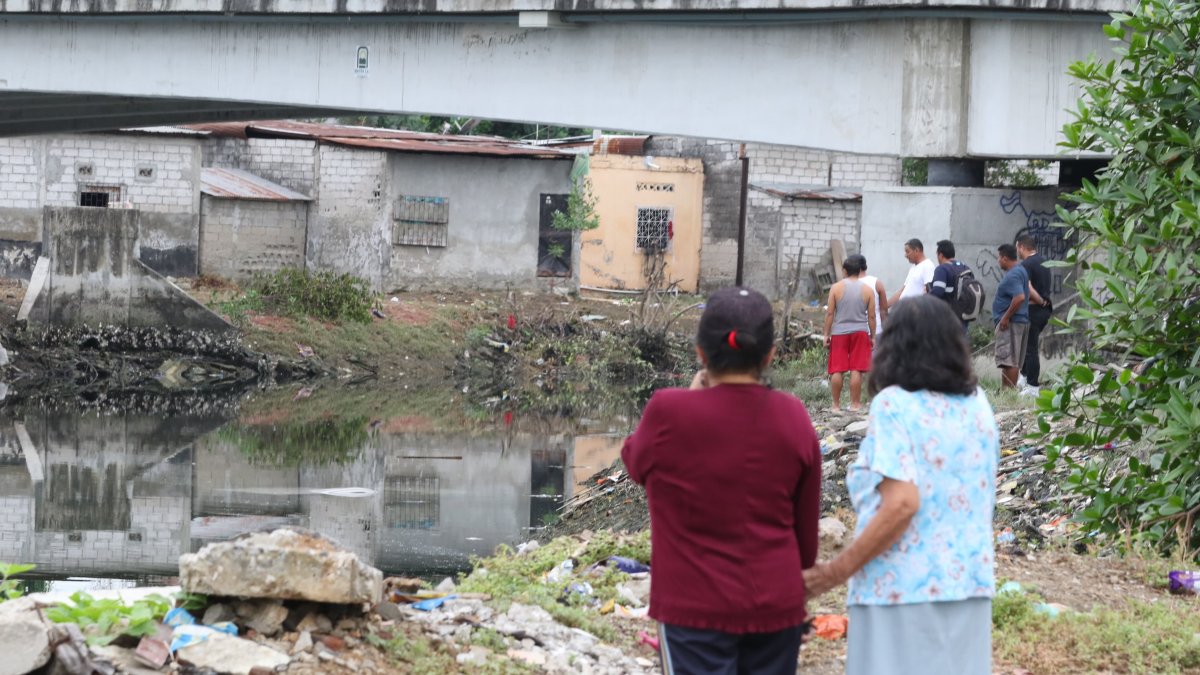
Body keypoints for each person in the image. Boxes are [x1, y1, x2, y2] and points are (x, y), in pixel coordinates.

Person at [621, 286, 822, 675]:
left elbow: (635, 461)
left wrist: (692, 394)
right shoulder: (794, 415)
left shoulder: (667, 411)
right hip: (776, 606)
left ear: (700, 351)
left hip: (694, 610)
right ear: (769, 355)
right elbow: (807, 545)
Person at [803, 295, 999, 675]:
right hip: (969, 586)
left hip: (899, 592)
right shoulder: (979, 404)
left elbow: (902, 503)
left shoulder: (894, 405)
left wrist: (835, 572)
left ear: (892, 347)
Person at [824, 256, 877, 411]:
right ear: (859, 270)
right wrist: (872, 336)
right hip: (860, 332)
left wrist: (826, 335)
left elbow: (829, 314)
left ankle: (835, 405)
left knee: (837, 369)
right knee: (856, 369)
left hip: (839, 333)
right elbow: (872, 316)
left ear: (845, 271)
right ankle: (855, 404)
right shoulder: (868, 290)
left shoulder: (835, 288)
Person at [1016, 235, 1052, 394]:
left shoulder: (1026, 265)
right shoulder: (1044, 261)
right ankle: (1023, 378)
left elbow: (1028, 289)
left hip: (1034, 309)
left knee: (1030, 348)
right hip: (1043, 312)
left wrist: (1041, 301)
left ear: (1021, 246)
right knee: (1026, 346)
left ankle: (1033, 387)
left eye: (1017, 248)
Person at [993, 244, 1030, 388]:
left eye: (999, 258)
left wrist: (1006, 317)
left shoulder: (1014, 274)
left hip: (1012, 323)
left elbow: (1019, 297)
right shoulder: (1021, 271)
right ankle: (1006, 391)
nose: (998, 261)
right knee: (1010, 360)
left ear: (1005, 258)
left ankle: (1008, 392)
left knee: (1009, 360)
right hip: (1018, 321)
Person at [929, 239, 972, 332]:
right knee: (960, 344)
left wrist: (924, 299)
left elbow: (937, 291)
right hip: (963, 316)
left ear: (940, 255)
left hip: (947, 318)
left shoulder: (942, 269)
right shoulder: (965, 267)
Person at [887, 238, 935, 307]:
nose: (905, 255)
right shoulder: (913, 268)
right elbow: (902, 291)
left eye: (907, 251)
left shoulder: (928, 266)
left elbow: (929, 291)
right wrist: (884, 307)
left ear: (916, 250)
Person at [857, 254, 889, 335]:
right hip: (877, 330)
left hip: (856, 331)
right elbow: (884, 310)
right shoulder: (876, 282)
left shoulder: (847, 284)